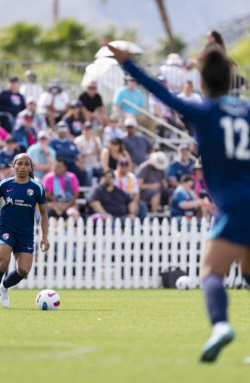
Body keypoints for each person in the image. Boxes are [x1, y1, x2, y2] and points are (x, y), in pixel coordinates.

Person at [109, 43, 250, 362]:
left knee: (212, 274)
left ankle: (220, 326)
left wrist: (128, 65)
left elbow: (163, 93)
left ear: (202, 82)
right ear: (232, 80)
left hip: (233, 204)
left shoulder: (203, 111)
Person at [0, 153, 49, 310]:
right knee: (2, 263)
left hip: (26, 233)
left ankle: (4, 287)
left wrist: (44, 236)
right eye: (19, 163)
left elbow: (44, 213)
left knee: (23, 270)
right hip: (6, 229)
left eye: (26, 164)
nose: (23, 167)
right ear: (14, 166)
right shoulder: (5, 184)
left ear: (31, 167)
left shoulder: (37, 187)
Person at [74, 122, 102, 187]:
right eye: (86, 129)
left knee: (104, 171)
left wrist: (97, 144)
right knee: (89, 171)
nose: (87, 131)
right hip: (83, 165)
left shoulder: (96, 139)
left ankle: (99, 190)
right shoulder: (78, 140)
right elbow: (76, 156)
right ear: (82, 130)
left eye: (89, 129)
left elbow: (100, 152)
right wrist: (88, 153)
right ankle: (88, 191)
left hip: (95, 165)